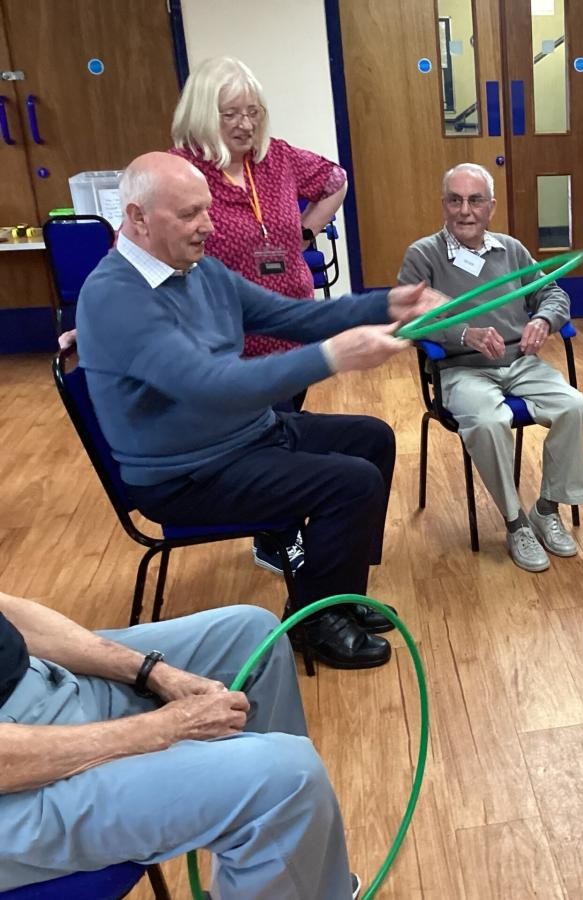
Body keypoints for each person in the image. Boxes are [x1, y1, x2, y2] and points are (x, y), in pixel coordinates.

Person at [76, 152, 443, 669]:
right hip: (186, 474)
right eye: (189, 214)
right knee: (352, 482)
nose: (208, 225)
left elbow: (291, 316)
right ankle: (315, 621)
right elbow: (212, 386)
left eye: (206, 209)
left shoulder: (200, 271)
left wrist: (386, 304)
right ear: (137, 218)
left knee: (373, 439)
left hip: (245, 437)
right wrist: (333, 356)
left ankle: (338, 593)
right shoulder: (114, 298)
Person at [0, 591, 359, 899]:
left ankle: (292, 874)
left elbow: (8, 612)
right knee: (285, 781)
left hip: (42, 684)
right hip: (15, 781)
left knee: (252, 634)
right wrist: (164, 728)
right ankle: (286, 851)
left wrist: (152, 671)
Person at [171, 56, 350, 574]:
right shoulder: (180, 172)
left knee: (283, 431)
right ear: (202, 113)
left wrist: (306, 231)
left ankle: (279, 529)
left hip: (289, 330)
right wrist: (97, 318)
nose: (246, 124)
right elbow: (133, 249)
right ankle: (276, 532)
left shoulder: (276, 159)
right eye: (231, 113)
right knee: (259, 443)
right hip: (228, 342)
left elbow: (335, 179)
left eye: (253, 112)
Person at [398, 163, 583, 573]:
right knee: (487, 421)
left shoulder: (511, 249)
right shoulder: (423, 255)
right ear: (444, 204)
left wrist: (543, 320)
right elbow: (409, 320)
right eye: (455, 200)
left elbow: (553, 293)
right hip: (461, 369)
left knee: (573, 405)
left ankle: (546, 509)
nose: (465, 210)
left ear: (491, 207)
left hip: (519, 363)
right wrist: (464, 334)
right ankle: (516, 522)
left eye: (475, 200)